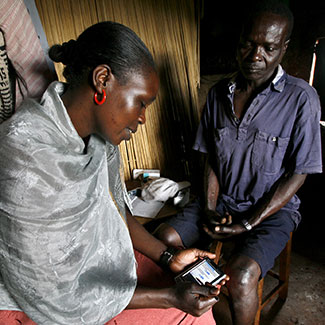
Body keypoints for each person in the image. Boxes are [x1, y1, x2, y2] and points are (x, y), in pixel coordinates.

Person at [0, 21, 228, 325]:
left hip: (87, 273)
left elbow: (116, 213)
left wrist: (170, 258)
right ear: (102, 80)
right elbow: (55, 294)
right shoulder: (25, 156)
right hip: (40, 303)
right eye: (141, 103)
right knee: (187, 316)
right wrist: (169, 298)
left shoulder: (98, 141)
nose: (143, 118)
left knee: (193, 300)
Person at [154, 1, 323, 324]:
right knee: (164, 241)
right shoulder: (219, 93)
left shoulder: (301, 99)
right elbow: (211, 159)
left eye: (269, 48)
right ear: (239, 41)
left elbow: (298, 173)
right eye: (248, 44)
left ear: (284, 48)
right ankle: (195, 312)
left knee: (242, 275)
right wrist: (209, 209)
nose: (255, 55)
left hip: (273, 211)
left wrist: (247, 223)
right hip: (222, 202)